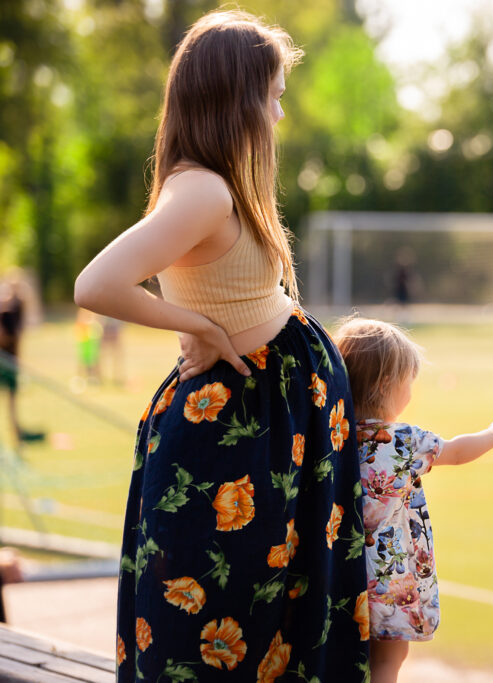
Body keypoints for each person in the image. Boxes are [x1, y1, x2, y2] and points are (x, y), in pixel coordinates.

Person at [74, 11, 369, 680]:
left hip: (273, 427)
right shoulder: (202, 189)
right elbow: (95, 283)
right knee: (223, 626)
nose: (279, 116)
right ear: (238, 98)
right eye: (274, 98)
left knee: (277, 618)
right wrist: (201, 325)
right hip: (236, 440)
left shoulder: (217, 185)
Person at [333, 317, 493, 683]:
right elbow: (457, 451)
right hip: (386, 573)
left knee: (341, 651)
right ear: (387, 385)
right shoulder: (402, 441)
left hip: (336, 565)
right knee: (388, 656)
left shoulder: (332, 433)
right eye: (408, 383)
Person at [0, 277, 25, 447]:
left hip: (11, 363)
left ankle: (16, 439)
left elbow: (12, 337)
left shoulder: (16, 310)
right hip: (4, 363)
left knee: (12, 405)